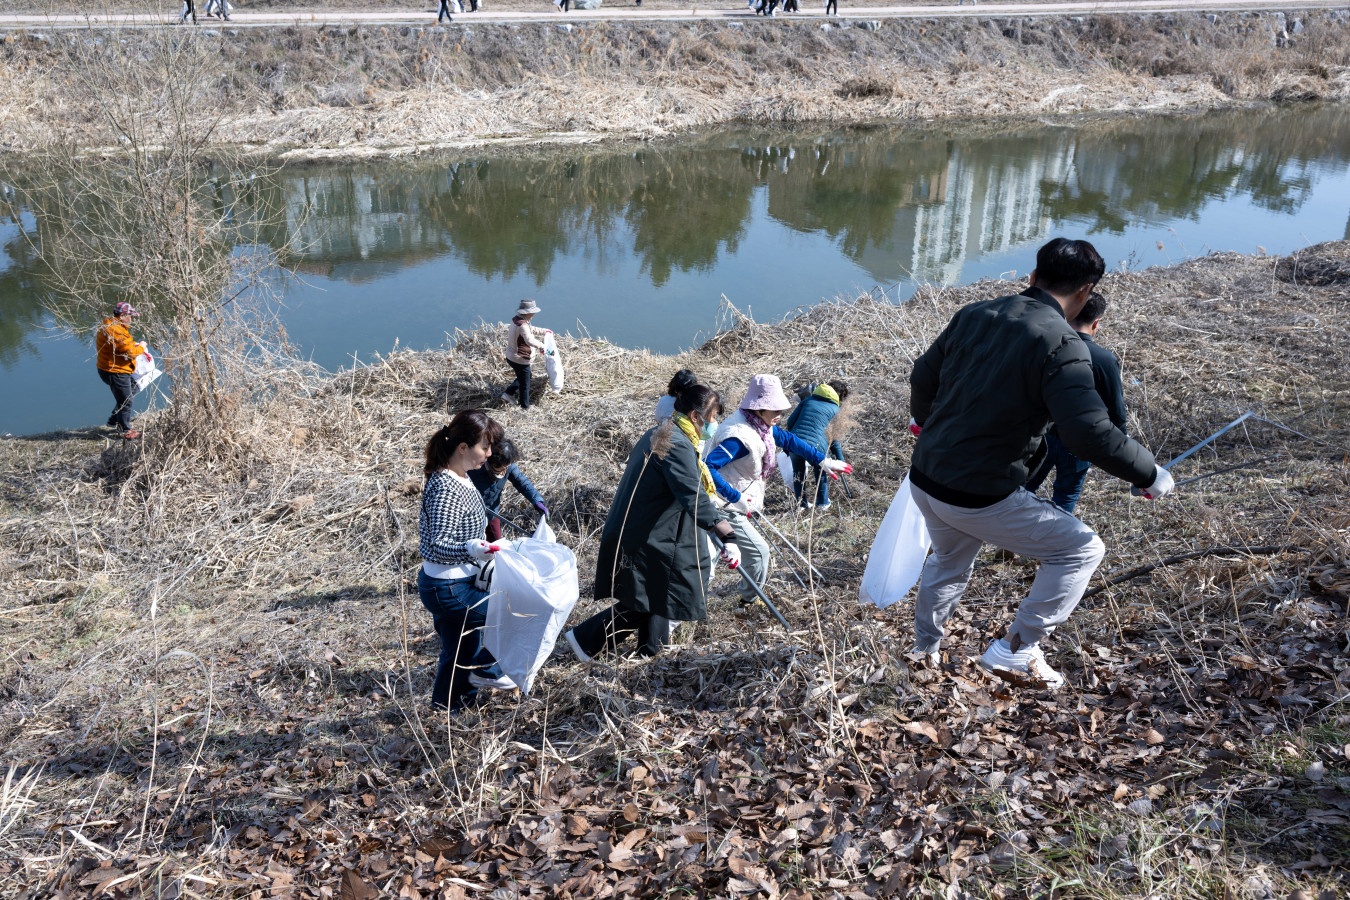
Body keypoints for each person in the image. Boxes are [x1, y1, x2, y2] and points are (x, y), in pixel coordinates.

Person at [907, 238, 1173, 690]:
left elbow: (922, 375)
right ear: (1087, 291)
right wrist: (1150, 473)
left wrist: (930, 426)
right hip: (978, 493)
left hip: (927, 477)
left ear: (1033, 276)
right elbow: (1089, 432)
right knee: (1081, 550)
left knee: (949, 562)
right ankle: (1016, 650)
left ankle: (923, 651)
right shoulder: (1064, 343)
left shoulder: (975, 313)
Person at [564, 383, 741, 661]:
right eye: (713, 416)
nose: (714, 423)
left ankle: (650, 654)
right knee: (650, 597)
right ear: (696, 416)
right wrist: (727, 534)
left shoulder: (664, 433)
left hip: (648, 527)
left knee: (659, 594)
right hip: (648, 534)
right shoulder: (676, 444)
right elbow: (692, 495)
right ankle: (587, 639)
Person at [705, 374, 852, 606]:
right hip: (722, 505)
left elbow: (789, 440)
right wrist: (736, 497)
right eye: (775, 410)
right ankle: (746, 602)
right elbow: (707, 467)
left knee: (711, 557)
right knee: (758, 553)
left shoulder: (760, 426)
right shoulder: (738, 438)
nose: (780, 415)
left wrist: (823, 461)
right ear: (759, 408)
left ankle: (709, 600)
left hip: (738, 500)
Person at [417, 410, 514, 712]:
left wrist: (483, 546)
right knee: (511, 611)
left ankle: (447, 708)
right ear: (463, 448)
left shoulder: (461, 477)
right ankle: (490, 671)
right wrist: (473, 549)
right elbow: (437, 546)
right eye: (484, 447)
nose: (489, 453)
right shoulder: (446, 486)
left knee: (460, 648)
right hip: (448, 588)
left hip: (450, 582)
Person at [1024, 291, 1127, 514]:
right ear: (1096, 323)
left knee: (1025, 486)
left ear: (1069, 312)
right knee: (1067, 493)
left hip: (1043, 435)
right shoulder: (1104, 359)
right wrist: (1122, 448)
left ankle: (1007, 540)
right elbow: (1116, 409)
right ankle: (1055, 543)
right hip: (1081, 441)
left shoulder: (1049, 345)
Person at [784, 380, 850, 510]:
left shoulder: (807, 401)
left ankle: (801, 505)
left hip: (795, 442)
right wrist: (840, 459)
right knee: (821, 470)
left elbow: (790, 421)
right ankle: (822, 503)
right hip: (817, 445)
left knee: (798, 473)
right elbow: (834, 439)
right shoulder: (835, 410)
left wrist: (789, 440)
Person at [469, 438, 548, 542]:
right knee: (473, 545)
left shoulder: (508, 466)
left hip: (492, 513)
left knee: (497, 544)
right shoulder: (475, 466)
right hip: (470, 515)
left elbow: (522, 483)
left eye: (507, 466)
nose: (505, 470)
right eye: (501, 467)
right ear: (492, 462)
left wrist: (536, 500)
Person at [96, 302, 148, 441]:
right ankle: (125, 429)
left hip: (111, 369)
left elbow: (122, 346)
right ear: (123, 315)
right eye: (130, 316)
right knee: (126, 400)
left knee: (132, 389)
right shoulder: (115, 330)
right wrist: (141, 347)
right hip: (115, 371)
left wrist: (132, 345)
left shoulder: (110, 324)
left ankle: (114, 419)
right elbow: (130, 353)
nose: (132, 319)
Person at [502, 298, 547, 411]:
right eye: (532, 313)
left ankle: (508, 393)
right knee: (525, 384)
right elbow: (529, 340)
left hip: (511, 356)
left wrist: (545, 331)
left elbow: (530, 330)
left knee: (524, 377)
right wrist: (542, 346)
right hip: (520, 359)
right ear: (527, 313)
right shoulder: (523, 325)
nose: (534, 315)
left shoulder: (517, 320)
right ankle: (525, 407)